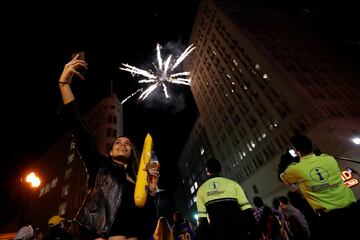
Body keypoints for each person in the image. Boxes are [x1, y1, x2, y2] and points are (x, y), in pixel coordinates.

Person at [57, 54, 159, 240]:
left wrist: (152, 193)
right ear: (110, 152)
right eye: (118, 143)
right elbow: (80, 130)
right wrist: (64, 86)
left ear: (132, 153)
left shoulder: (138, 182)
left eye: (127, 143)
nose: (123, 144)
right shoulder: (100, 167)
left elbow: (149, 223)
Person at [279, 134, 359, 239]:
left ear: (295, 150)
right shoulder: (329, 159)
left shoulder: (295, 169)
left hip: (331, 219)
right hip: (354, 209)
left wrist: (287, 159)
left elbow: (282, 177)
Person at [196, 157, 259, 240]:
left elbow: (203, 221)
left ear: (207, 171)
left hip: (219, 235)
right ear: (221, 168)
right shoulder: (234, 185)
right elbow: (247, 212)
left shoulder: (201, 190)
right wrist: (255, 234)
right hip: (240, 233)